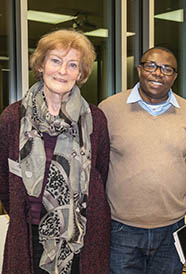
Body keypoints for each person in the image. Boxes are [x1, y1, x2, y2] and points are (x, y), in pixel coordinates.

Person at [0, 29, 111, 274]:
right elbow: (4, 179)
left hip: (82, 236)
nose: (62, 71)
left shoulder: (95, 119)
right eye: (56, 61)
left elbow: (101, 173)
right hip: (28, 233)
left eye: (73, 65)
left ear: (80, 73)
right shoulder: (13, 117)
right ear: (41, 65)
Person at [99, 46, 186, 274]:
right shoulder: (108, 110)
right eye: (151, 66)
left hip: (171, 233)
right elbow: (96, 172)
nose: (158, 73)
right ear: (139, 70)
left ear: (174, 77)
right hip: (120, 232)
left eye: (167, 69)